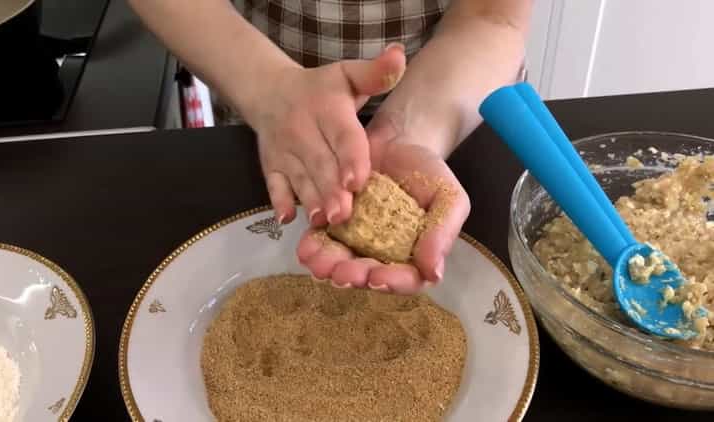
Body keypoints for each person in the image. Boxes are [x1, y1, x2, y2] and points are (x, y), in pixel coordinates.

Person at [129, 0, 533, 294]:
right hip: (267, 114)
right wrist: (269, 90)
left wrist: (411, 132)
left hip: (456, 106)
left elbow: (493, 15)